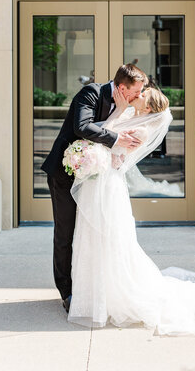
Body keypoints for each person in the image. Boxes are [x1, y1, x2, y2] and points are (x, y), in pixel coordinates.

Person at [67, 87, 195, 336]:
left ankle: (111, 295)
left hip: (109, 184)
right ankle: (94, 294)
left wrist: (99, 151)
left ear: (147, 108)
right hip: (98, 181)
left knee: (109, 237)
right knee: (92, 237)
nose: (140, 93)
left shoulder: (140, 130)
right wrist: (118, 114)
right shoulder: (128, 116)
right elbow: (102, 134)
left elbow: (116, 154)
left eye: (144, 94)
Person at [41, 63, 149, 313]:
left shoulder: (127, 108)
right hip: (65, 172)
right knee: (66, 232)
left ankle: (88, 286)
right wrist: (117, 138)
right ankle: (66, 291)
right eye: (136, 91)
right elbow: (82, 127)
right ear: (122, 88)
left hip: (94, 179)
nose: (138, 96)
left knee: (91, 232)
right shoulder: (90, 93)